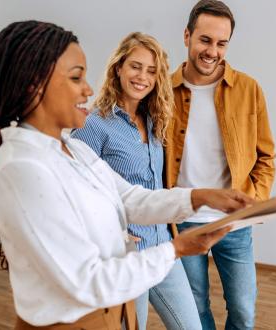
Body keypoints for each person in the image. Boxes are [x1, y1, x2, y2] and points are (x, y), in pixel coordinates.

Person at [0, 20, 253, 329]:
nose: (88, 89)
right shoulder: (21, 168)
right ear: (35, 83)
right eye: (76, 77)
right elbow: (85, 281)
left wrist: (200, 197)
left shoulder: (72, 151)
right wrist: (177, 249)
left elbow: (129, 197)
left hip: (113, 307)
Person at [72, 32, 202, 329]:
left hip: (164, 246)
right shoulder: (94, 124)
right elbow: (78, 192)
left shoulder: (155, 120)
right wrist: (113, 233)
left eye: (152, 70)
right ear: (118, 68)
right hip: (127, 256)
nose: (142, 76)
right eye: (135, 66)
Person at [164, 1, 276, 329]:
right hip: (184, 219)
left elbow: (266, 156)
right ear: (187, 36)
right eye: (205, 40)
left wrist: (253, 199)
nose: (212, 51)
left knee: (243, 311)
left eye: (221, 43)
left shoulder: (249, 89)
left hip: (234, 223)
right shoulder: (162, 92)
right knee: (195, 308)